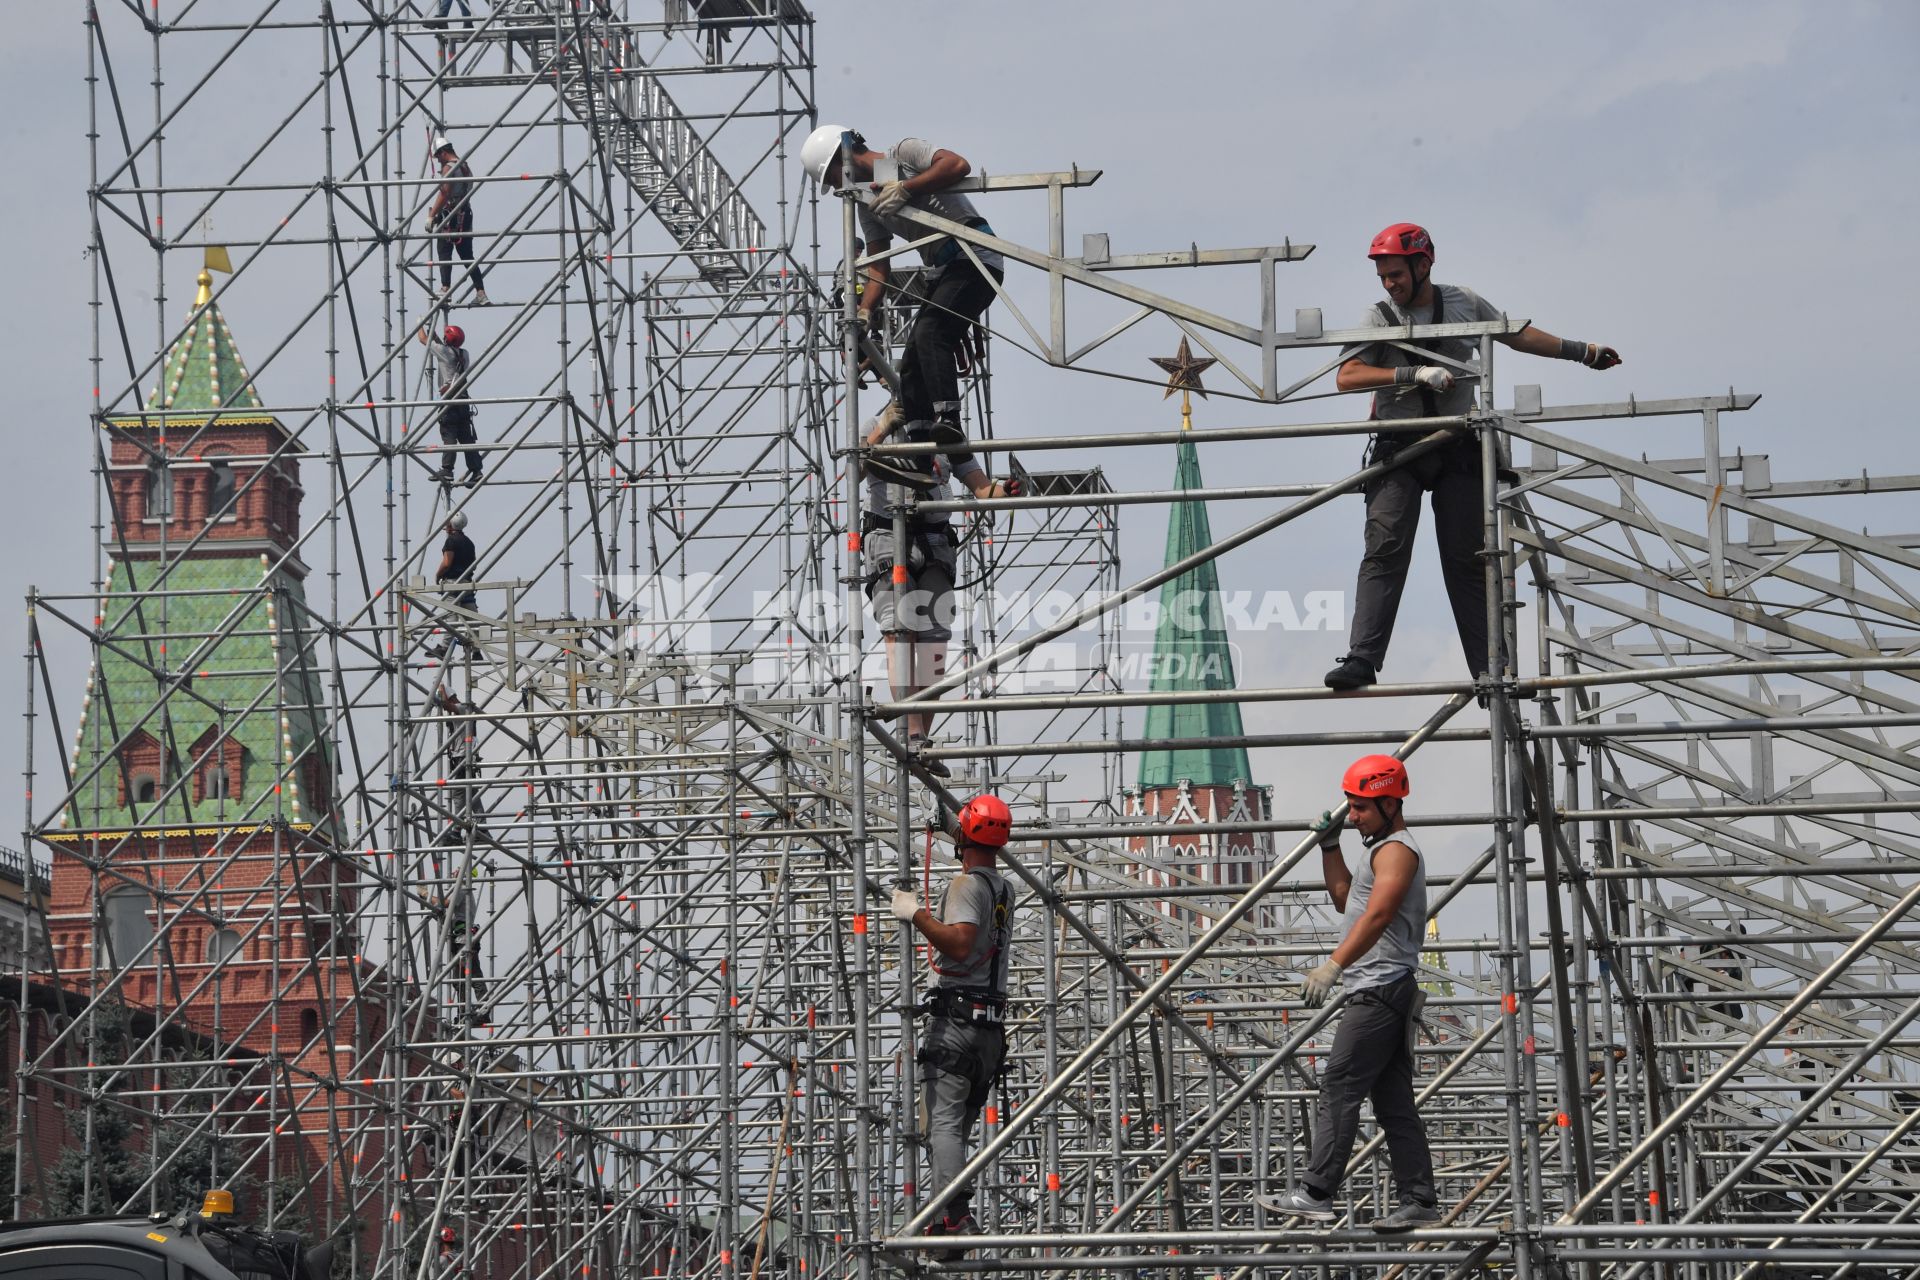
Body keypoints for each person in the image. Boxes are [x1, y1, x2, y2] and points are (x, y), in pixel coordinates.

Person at [1323, 223, 1622, 691]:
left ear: (1424, 266)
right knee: (1384, 549)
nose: (1389, 284)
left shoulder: (1462, 301)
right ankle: (1362, 659)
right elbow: (1348, 375)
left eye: (1397, 274)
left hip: (1457, 444)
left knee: (1467, 558)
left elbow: (1513, 334)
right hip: (1398, 446)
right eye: (1383, 276)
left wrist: (1582, 352)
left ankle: (1490, 671)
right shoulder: (1378, 316)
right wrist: (1413, 373)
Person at [1269, 755, 1442, 1233]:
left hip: (1380, 987)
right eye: (1350, 805)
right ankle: (1419, 1198)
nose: (1353, 815)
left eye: (1361, 807)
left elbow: (1379, 915)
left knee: (1340, 1083)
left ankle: (1317, 1192)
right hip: (1381, 987)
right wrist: (1330, 846)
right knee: (1392, 1102)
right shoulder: (1377, 849)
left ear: (1390, 802)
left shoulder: (1397, 851)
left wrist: (1333, 965)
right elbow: (1349, 899)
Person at [800, 125, 1002, 488]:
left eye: (833, 173)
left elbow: (958, 165)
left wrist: (907, 188)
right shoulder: (867, 203)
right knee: (911, 367)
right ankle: (922, 459)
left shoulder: (904, 153)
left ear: (844, 154)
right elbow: (879, 268)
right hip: (945, 268)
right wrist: (863, 311)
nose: (838, 182)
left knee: (930, 334)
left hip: (974, 254)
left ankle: (948, 421)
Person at [860, 406, 1019, 776]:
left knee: (933, 642)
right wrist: (883, 429)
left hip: (934, 541)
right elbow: (855, 468)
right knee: (900, 630)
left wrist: (1004, 490)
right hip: (887, 534)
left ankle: (920, 737)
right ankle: (912, 733)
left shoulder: (946, 435)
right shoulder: (878, 426)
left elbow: (982, 488)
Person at [889, 793, 1016, 1253]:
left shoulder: (965, 887)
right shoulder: (1003, 887)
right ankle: (947, 1220)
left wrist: (915, 912)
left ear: (965, 836)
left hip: (958, 1022)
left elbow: (960, 945)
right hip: (988, 1030)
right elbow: (977, 844)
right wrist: (953, 826)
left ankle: (956, 1215)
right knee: (956, 1127)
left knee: (940, 1123)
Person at [418, 321, 484, 488]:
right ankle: (476, 472)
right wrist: (437, 335)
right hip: (463, 400)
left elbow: (423, 339)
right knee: (466, 439)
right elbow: (443, 346)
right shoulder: (464, 354)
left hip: (449, 400)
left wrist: (420, 324)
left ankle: (447, 470)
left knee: (449, 436)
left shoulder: (444, 352)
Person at [427, 136, 488, 304]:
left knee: (444, 251)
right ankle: (481, 292)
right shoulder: (465, 166)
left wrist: (432, 216)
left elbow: (445, 193)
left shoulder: (449, 168)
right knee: (467, 255)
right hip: (465, 214)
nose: (438, 161)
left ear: (443, 152)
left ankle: (445, 289)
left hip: (451, 216)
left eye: (438, 157)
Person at [427, 510, 478, 658]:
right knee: (472, 618)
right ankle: (476, 651)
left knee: (451, 616)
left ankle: (443, 648)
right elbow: (473, 564)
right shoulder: (469, 543)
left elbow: (447, 562)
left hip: (452, 583)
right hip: (467, 584)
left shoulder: (451, 541)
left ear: (451, 524)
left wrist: (438, 575)